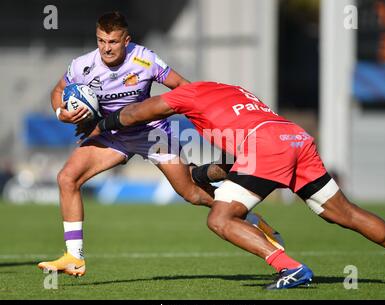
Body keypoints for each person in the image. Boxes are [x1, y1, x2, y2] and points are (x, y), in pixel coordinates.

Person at [86, 81, 385, 289]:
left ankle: (291, 268)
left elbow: (136, 113)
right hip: (293, 136)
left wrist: (101, 124)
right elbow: (243, 165)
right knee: (344, 212)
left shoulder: (186, 94)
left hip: (265, 145)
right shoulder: (234, 90)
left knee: (220, 218)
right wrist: (199, 176)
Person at [37, 12, 281, 277]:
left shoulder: (145, 59)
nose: (106, 48)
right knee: (67, 178)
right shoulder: (82, 66)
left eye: (113, 42)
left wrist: (213, 125)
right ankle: (75, 257)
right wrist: (61, 113)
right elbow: (58, 90)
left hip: (152, 134)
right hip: (112, 136)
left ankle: (254, 222)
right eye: (101, 41)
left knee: (192, 193)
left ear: (126, 40)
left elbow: (183, 87)